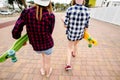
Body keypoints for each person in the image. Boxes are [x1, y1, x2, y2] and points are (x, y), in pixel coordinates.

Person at [12, 0, 55, 77]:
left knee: (42, 56)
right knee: (48, 60)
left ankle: (42, 70)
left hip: (36, 46)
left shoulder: (26, 12)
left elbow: (17, 28)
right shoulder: (50, 15)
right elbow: (50, 31)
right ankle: (48, 73)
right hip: (47, 43)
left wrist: (18, 38)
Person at [63, 0, 90, 71]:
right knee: (75, 44)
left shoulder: (70, 9)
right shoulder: (87, 10)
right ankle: (74, 53)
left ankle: (68, 65)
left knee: (69, 48)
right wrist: (85, 34)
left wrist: (62, 20)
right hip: (80, 34)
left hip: (71, 33)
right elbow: (86, 26)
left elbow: (65, 25)